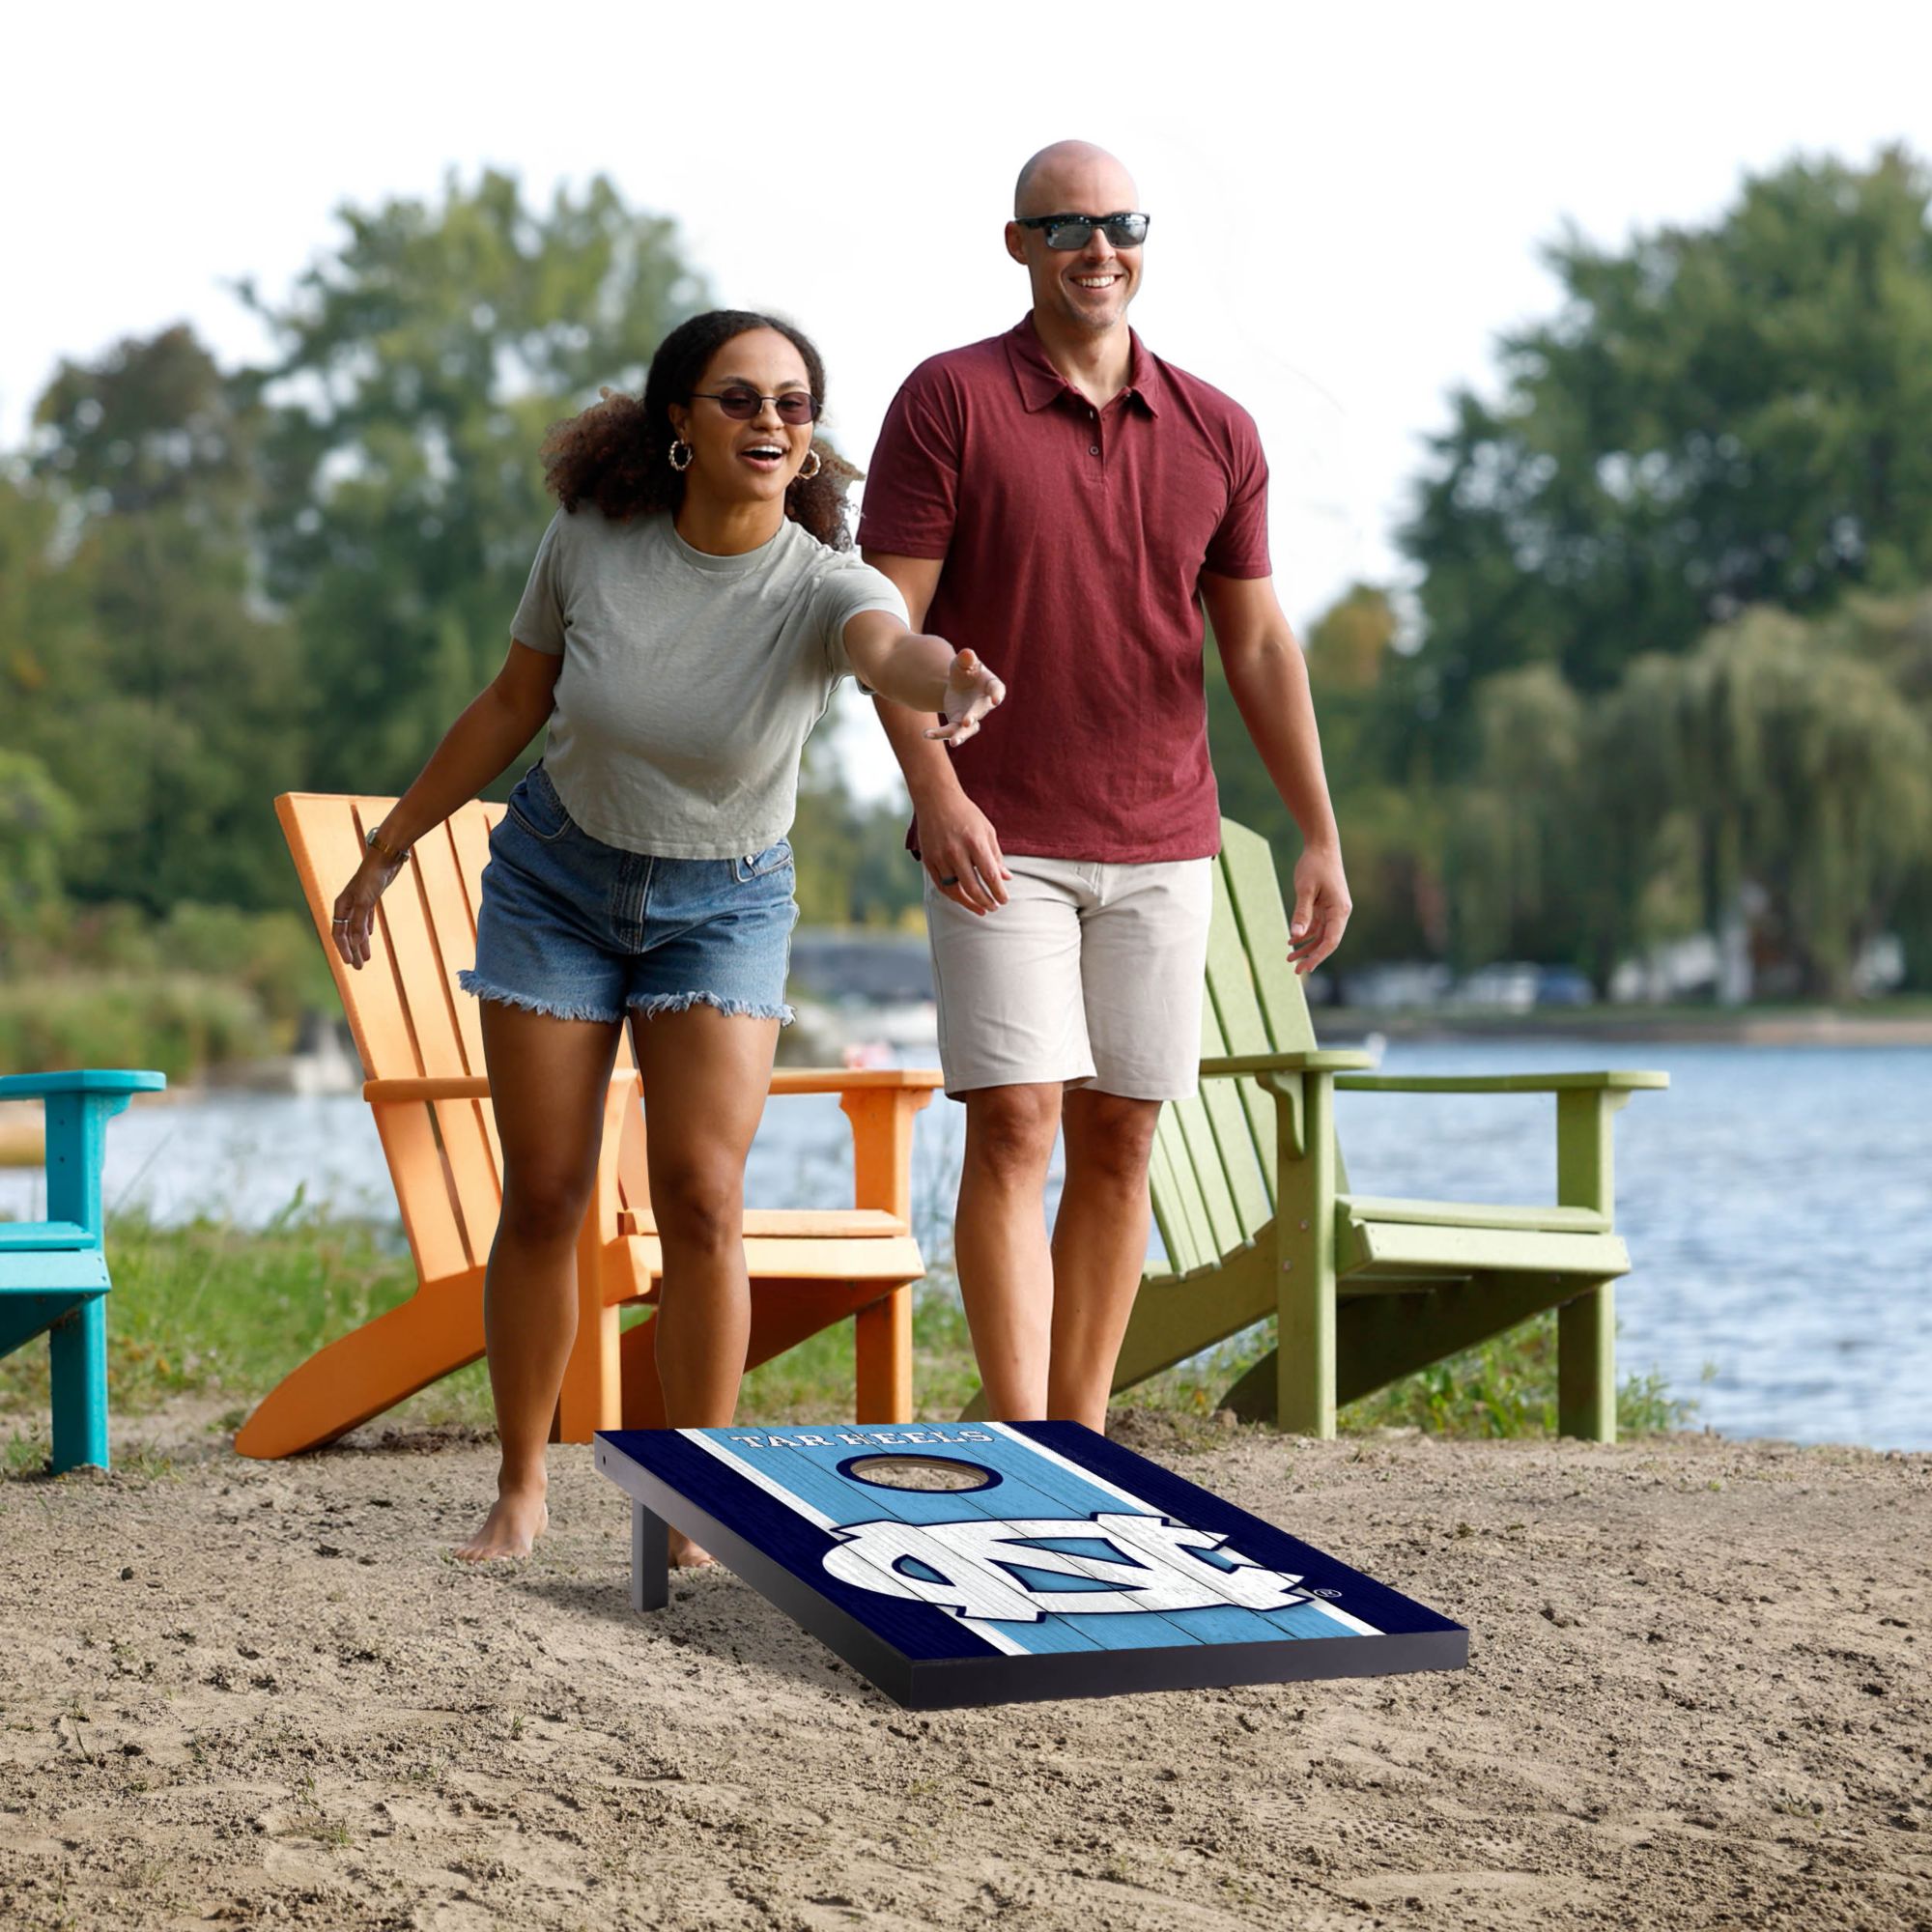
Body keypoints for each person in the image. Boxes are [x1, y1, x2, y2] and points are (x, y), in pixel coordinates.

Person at [329, 309, 1005, 1564]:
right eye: (740, 399)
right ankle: (523, 1487)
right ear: (680, 425)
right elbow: (513, 702)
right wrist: (396, 841)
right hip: (556, 885)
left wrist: (947, 683)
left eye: (793, 405)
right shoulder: (592, 542)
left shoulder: (824, 582)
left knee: (703, 1196)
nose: (769, 423)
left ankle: (700, 1501)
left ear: (809, 443)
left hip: (725, 904)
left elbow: (888, 652)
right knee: (546, 1191)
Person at [857, 141, 1350, 1431]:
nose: (1097, 247)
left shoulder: (1216, 428)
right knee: (1017, 1122)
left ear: (1144, 239)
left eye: (1119, 223)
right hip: (997, 836)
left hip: (1163, 838)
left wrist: (1317, 833)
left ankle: (1078, 1432)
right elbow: (878, 629)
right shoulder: (947, 402)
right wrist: (935, 793)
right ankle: (1021, 1434)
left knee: (1122, 1135)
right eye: (1065, 225)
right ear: (1017, 244)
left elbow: (1257, 643)